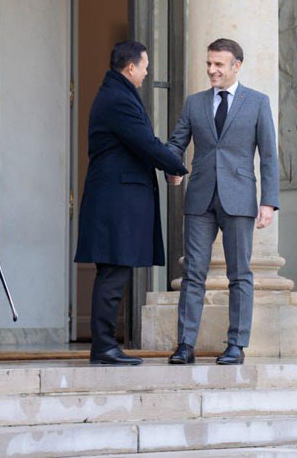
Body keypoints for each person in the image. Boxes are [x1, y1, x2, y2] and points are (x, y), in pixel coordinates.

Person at [165, 38, 279, 366]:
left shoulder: (257, 102)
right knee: (193, 274)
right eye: (209, 64)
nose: (212, 70)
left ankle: (236, 345)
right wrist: (174, 169)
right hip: (200, 198)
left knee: (240, 274)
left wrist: (268, 202)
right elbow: (177, 143)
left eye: (218, 65)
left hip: (240, 199)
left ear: (236, 66)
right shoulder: (194, 103)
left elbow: (269, 155)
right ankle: (185, 344)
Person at [75, 40, 187, 365]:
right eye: (145, 66)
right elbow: (145, 142)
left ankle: (105, 345)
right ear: (130, 67)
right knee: (113, 274)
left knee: (115, 272)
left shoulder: (117, 94)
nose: (146, 72)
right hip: (115, 201)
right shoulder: (118, 99)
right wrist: (176, 166)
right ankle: (104, 346)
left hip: (114, 199)